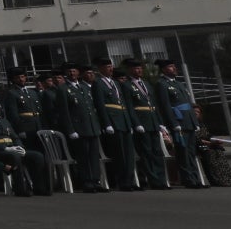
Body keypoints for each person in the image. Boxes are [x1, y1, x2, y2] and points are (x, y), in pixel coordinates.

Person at [0, 99, 47, 196]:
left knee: (38, 156)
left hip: (12, 149)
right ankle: (20, 189)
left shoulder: (4, 121)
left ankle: (39, 187)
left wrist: (20, 147)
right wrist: (6, 148)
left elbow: (15, 137)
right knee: (15, 157)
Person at [153, 55, 204, 190]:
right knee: (183, 152)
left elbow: (188, 103)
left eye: (174, 66)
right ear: (164, 69)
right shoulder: (162, 84)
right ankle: (188, 179)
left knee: (191, 152)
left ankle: (195, 178)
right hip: (179, 122)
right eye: (171, 67)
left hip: (189, 121)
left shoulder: (178, 83)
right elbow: (165, 105)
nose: (174, 68)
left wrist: (195, 121)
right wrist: (173, 123)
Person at [56, 62, 106, 193]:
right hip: (78, 128)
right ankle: (87, 181)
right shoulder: (63, 89)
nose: (72, 74)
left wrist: (97, 125)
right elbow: (64, 112)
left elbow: (92, 107)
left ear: (79, 73)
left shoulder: (85, 87)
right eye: (69, 71)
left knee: (94, 156)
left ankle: (96, 180)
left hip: (91, 126)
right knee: (83, 156)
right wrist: (70, 130)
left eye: (74, 71)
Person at [90, 58, 137, 192]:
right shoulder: (98, 83)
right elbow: (100, 105)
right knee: (119, 153)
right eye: (107, 67)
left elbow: (123, 103)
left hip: (123, 119)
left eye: (111, 66)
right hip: (113, 121)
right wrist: (107, 123)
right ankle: (122, 181)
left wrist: (129, 122)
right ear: (100, 69)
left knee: (128, 153)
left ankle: (130, 179)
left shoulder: (116, 83)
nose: (110, 69)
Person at [123, 59, 169, 190]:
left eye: (140, 68)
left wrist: (160, 123)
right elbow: (129, 106)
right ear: (130, 70)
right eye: (136, 68)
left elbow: (154, 104)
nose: (139, 71)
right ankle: (154, 180)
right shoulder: (127, 85)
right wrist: (136, 123)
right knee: (147, 153)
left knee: (157, 152)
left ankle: (161, 179)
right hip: (142, 122)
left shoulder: (147, 84)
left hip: (153, 120)